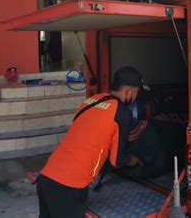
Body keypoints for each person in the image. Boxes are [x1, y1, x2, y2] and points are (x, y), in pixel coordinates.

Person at [36, 66, 144, 217]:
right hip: (69, 187)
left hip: (46, 178)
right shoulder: (122, 113)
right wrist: (131, 160)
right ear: (129, 91)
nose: (135, 97)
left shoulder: (92, 101)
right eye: (137, 93)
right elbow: (116, 160)